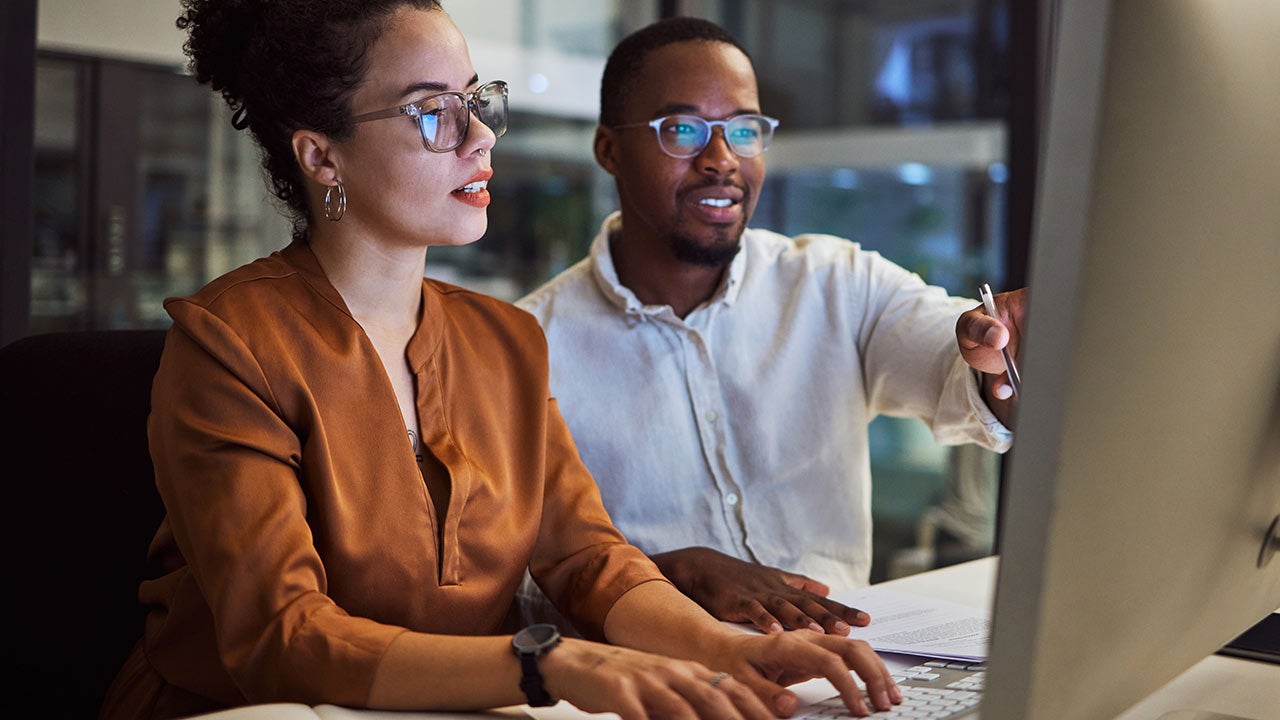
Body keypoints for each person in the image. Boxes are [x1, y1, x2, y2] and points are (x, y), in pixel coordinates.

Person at [99, 3, 904, 719]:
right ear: (322, 157)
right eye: (431, 113)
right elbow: (283, 637)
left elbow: (586, 556)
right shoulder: (229, 342)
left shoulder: (504, 340)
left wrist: (723, 648)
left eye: (476, 103)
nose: (480, 135)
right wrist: (545, 664)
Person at [516, 17, 1026, 637]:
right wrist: (668, 576)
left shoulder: (837, 282)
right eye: (682, 130)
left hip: (848, 663)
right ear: (609, 150)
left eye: (744, 129)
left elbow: (950, 359)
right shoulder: (526, 347)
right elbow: (513, 588)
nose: (721, 159)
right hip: (655, 681)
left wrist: (995, 350)